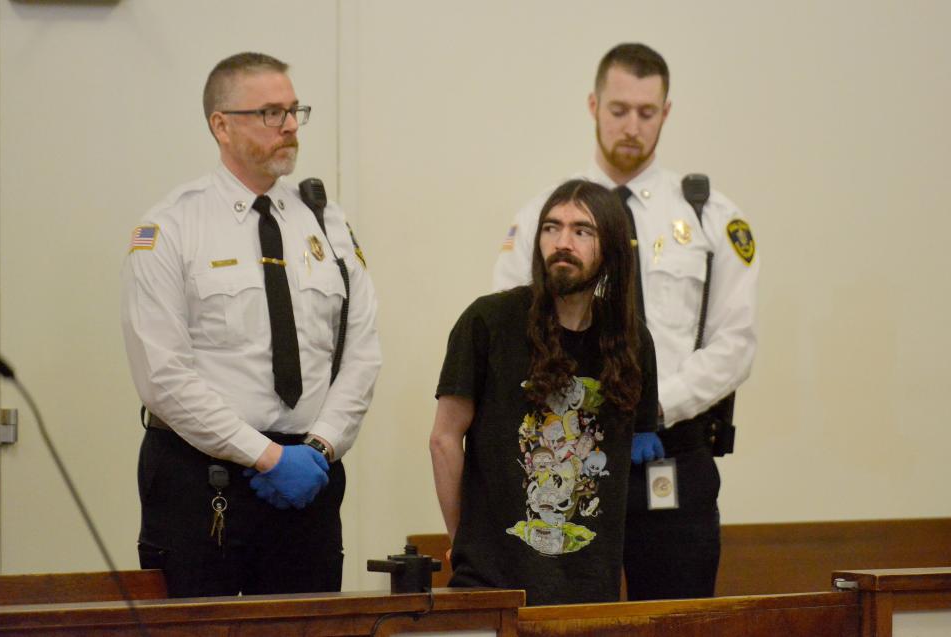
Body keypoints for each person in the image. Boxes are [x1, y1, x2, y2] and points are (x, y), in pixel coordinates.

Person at [492, 43, 759, 600]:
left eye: (647, 112)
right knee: (560, 619)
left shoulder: (710, 218)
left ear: (666, 113)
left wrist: (652, 408)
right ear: (593, 105)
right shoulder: (547, 214)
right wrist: (588, 411)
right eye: (619, 109)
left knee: (674, 618)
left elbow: (735, 343)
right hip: (564, 457)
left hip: (668, 451)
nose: (631, 126)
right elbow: (511, 326)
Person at [120, 52, 381, 598]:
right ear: (221, 125)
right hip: (203, 480)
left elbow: (360, 352)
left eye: (294, 111)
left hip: (309, 478)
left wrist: (322, 447)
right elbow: (164, 376)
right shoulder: (171, 227)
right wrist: (264, 456)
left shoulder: (325, 222)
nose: (289, 126)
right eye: (269, 113)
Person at [431, 179, 658, 605]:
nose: (562, 242)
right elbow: (444, 439)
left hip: (590, 592)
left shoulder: (632, 342)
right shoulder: (489, 321)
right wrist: (465, 543)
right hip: (493, 585)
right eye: (551, 228)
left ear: (609, 247)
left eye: (581, 231)